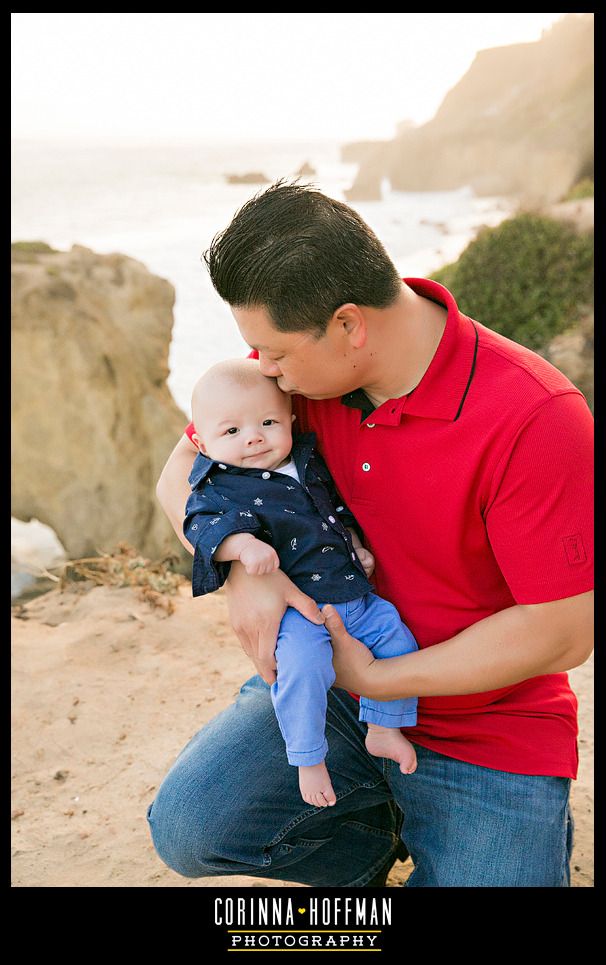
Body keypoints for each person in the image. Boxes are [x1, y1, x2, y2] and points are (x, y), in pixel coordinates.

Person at [148, 180, 593, 887]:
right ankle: (372, 837)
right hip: (333, 693)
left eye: (273, 352)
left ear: (350, 325)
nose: (261, 368)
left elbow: (565, 631)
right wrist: (243, 572)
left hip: (489, 730)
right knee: (189, 828)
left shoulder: (537, 418)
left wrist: (381, 676)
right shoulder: (297, 386)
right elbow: (182, 469)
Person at [183, 358, 419, 808]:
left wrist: (354, 543)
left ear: (291, 418)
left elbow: (334, 512)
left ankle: (384, 728)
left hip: (354, 598)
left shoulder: (306, 462)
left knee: (396, 637)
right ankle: (309, 757)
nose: (252, 437)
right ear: (201, 441)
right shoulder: (220, 485)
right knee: (301, 670)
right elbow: (202, 527)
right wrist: (241, 550)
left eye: (268, 422)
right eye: (230, 432)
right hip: (298, 614)